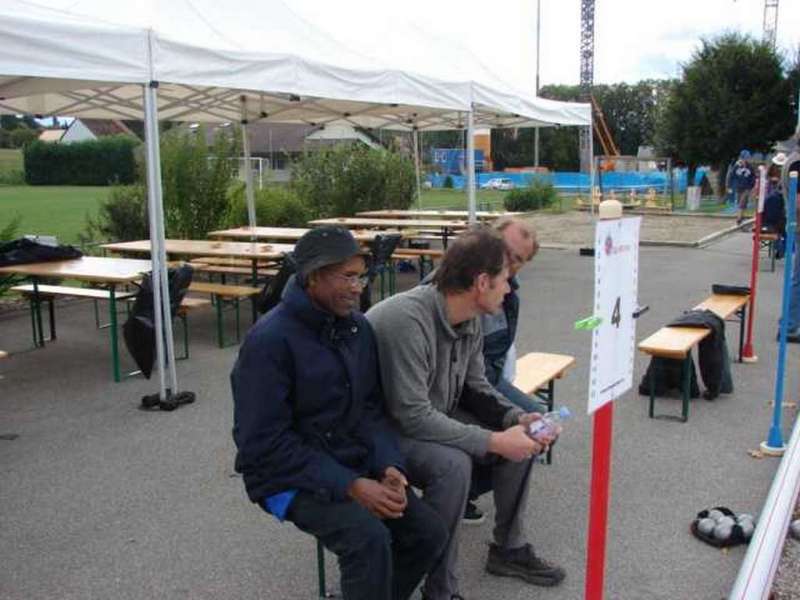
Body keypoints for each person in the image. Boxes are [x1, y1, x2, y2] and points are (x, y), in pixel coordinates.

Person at [231, 227, 447, 600]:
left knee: (428, 533)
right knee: (368, 541)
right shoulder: (268, 342)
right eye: (347, 276)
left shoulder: (357, 328)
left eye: (361, 276)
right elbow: (261, 445)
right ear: (313, 277)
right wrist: (350, 485)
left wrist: (389, 466)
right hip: (282, 477)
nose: (358, 287)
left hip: (347, 461)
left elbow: (370, 410)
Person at [367, 226, 565, 600]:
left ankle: (508, 549)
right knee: (452, 464)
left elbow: (476, 387)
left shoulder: (469, 316)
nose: (509, 289)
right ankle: (441, 591)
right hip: (381, 434)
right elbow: (411, 416)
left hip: (424, 417)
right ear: (481, 282)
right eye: (505, 279)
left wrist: (515, 420)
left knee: (524, 440)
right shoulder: (406, 319)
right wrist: (493, 440)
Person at [464, 217, 543, 524]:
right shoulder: (462, 283)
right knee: (519, 435)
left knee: (541, 426)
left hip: (489, 379)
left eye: (518, 260)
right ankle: (455, 491)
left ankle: (467, 489)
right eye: (506, 252)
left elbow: (497, 358)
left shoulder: (510, 295)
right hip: (460, 387)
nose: (509, 263)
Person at [726, 149, 756, 225]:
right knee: (741, 203)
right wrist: (729, 186)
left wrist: (752, 185)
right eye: (744, 157)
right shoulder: (736, 166)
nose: (745, 159)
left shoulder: (750, 167)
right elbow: (731, 176)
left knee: (742, 202)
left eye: (747, 158)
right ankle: (741, 217)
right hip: (739, 187)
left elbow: (753, 176)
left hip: (747, 187)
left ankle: (739, 219)